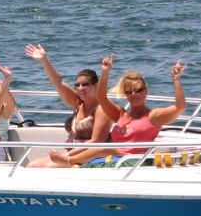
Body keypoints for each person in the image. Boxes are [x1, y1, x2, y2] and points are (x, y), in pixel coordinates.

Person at [48, 56, 186, 167]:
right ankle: (72, 164)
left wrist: (176, 80)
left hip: (132, 161)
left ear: (146, 91)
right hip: (112, 159)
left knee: (104, 149)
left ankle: (68, 161)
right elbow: (101, 97)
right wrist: (105, 72)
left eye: (138, 90)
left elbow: (180, 107)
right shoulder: (121, 114)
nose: (134, 94)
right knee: (102, 152)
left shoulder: (153, 116)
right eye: (129, 92)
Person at [24, 43, 99, 143]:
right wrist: (44, 60)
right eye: (77, 85)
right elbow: (58, 82)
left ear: (96, 85)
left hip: (85, 155)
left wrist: (68, 158)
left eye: (85, 84)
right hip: (69, 151)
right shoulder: (78, 103)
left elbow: (99, 141)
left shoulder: (102, 108)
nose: (80, 88)